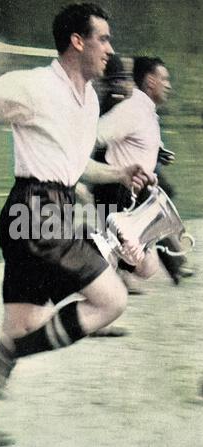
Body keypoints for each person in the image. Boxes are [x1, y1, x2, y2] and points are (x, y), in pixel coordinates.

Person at [0, 3, 156, 446]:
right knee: (111, 299)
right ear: (78, 41)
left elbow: (73, 170)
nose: (110, 51)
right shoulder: (34, 86)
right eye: (104, 39)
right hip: (36, 211)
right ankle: (3, 357)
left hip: (46, 210)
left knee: (21, 328)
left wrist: (119, 172)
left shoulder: (90, 99)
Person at [86, 56, 192, 285]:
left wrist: (156, 155)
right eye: (164, 79)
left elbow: (136, 143)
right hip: (118, 191)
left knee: (146, 267)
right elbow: (93, 135)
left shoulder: (146, 112)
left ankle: (99, 254)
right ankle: (84, 248)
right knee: (136, 263)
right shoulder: (132, 110)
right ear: (150, 81)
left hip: (134, 192)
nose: (169, 85)